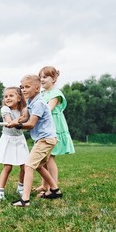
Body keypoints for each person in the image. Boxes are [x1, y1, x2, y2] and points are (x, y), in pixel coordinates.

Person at [7, 75, 62, 207]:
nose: (23, 90)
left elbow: (31, 124)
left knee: (29, 166)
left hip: (45, 139)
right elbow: (25, 117)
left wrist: (17, 126)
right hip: (45, 139)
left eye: (27, 87)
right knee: (39, 165)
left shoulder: (38, 103)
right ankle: (55, 190)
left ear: (37, 88)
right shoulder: (31, 102)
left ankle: (25, 199)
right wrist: (14, 121)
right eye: (22, 87)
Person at [34, 66, 75, 196]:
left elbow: (48, 109)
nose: (41, 79)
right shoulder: (42, 93)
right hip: (45, 128)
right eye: (40, 77)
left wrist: (33, 118)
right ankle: (45, 185)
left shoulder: (56, 94)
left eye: (45, 77)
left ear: (54, 79)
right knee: (45, 158)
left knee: (49, 158)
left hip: (54, 128)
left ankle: (53, 188)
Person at [0, 87, 29, 200]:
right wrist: (12, 122)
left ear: (19, 98)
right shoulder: (5, 109)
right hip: (8, 139)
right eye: (6, 96)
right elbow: (9, 121)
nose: (8, 98)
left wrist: (23, 118)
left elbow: (26, 119)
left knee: (24, 166)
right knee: (8, 167)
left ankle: (21, 187)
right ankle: (0, 192)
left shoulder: (23, 110)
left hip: (20, 139)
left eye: (11, 96)